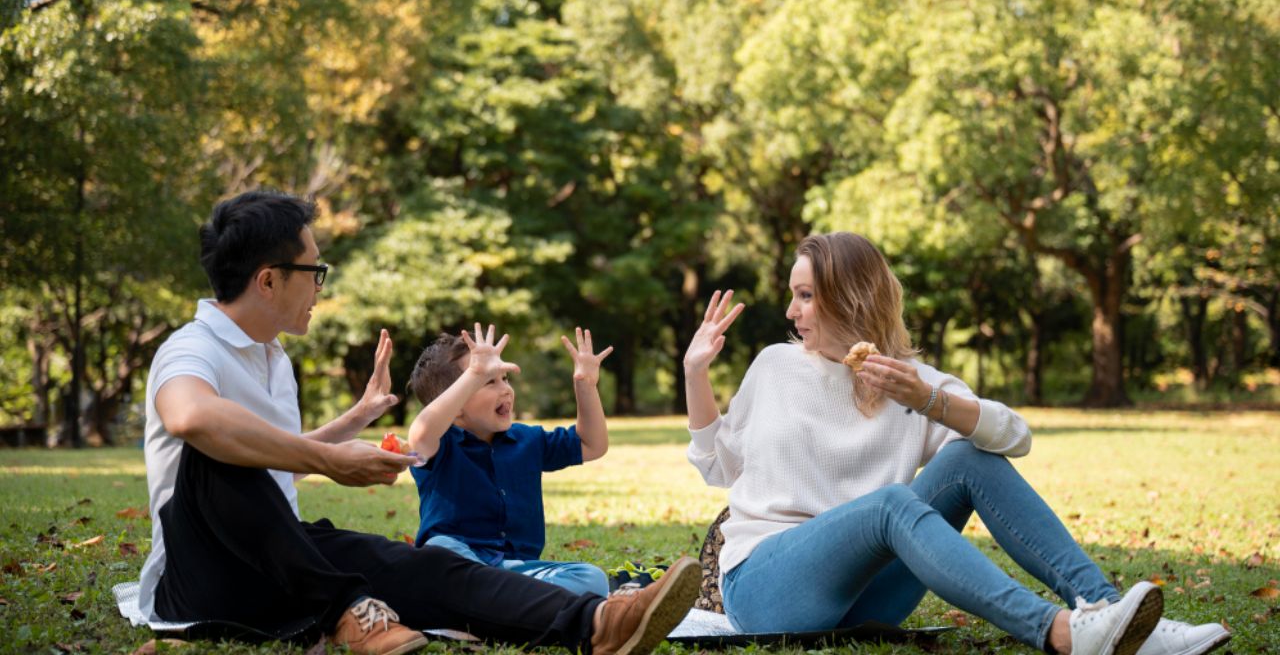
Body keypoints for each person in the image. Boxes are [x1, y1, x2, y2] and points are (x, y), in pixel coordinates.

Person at [139, 190, 701, 655]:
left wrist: (352, 423)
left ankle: (598, 623)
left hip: (284, 564)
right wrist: (330, 459)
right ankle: (344, 611)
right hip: (201, 577)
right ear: (268, 280)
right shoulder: (191, 350)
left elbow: (272, 472)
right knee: (214, 448)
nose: (319, 286)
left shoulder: (274, 360)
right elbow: (193, 418)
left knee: (427, 566)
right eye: (315, 271)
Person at [682, 232, 1232, 655]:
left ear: (848, 298)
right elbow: (718, 465)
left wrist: (928, 400)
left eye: (805, 296)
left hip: (868, 600)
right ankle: (1061, 634)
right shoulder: (776, 366)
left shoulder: (910, 380)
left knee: (969, 455)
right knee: (890, 506)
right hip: (765, 586)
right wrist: (695, 375)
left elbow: (1014, 436)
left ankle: (1118, 620)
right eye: (792, 296)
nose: (790, 311)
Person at [402, 325, 613, 596]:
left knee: (592, 579)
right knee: (440, 548)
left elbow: (592, 444)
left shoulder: (528, 440)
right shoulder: (439, 446)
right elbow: (419, 434)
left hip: (519, 573)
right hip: (460, 565)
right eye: (489, 382)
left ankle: (494, 604)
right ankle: (508, 603)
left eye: (505, 378)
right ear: (454, 406)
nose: (506, 390)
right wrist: (475, 374)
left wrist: (585, 385)